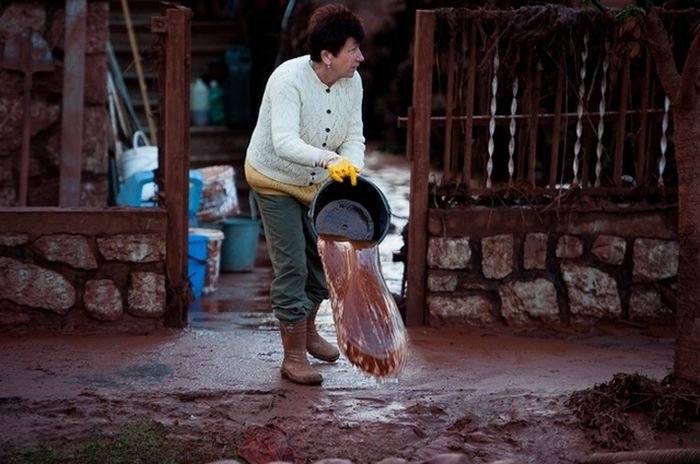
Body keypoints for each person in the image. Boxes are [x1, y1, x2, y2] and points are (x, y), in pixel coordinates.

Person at [244, 3, 366, 385]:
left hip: (317, 184)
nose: (360, 57)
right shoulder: (287, 80)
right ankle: (293, 355)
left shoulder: (353, 82)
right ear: (327, 56)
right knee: (292, 264)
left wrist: (351, 166)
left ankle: (309, 331)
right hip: (273, 179)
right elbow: (283, 142)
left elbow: (355, 136)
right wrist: (330, 159)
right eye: (352, 50)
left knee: (321, 264)